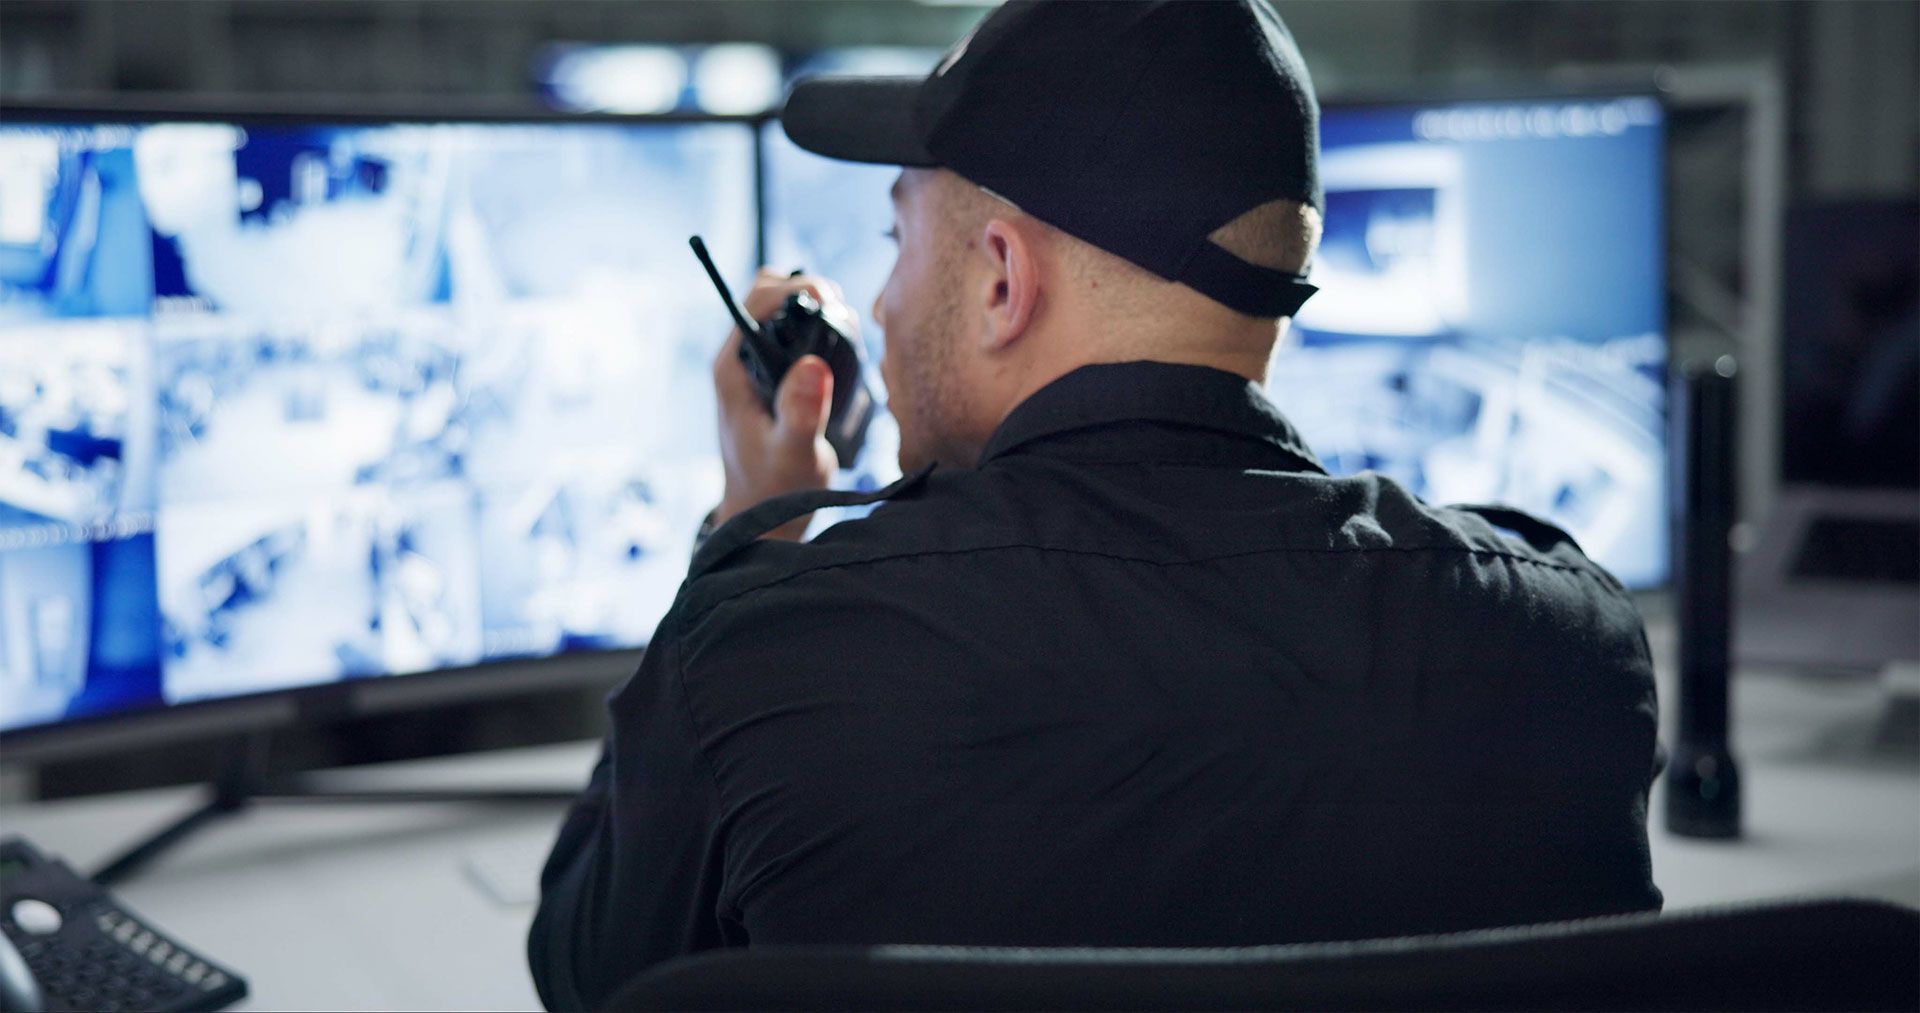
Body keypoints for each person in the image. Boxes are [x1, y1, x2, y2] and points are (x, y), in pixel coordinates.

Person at [527, 2, 1663, 1009]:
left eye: (897, 241)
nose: (881, 301)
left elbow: (592, 976)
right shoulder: (1568, 645)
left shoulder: (777, 649)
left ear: (1003, 281)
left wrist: (748, 527)